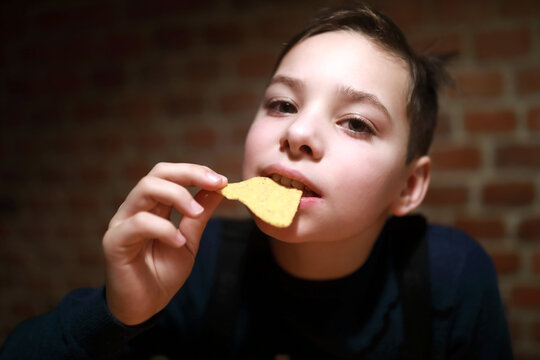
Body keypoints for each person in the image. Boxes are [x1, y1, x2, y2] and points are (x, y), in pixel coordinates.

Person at [0, 3, 513, 359]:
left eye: (356, 122)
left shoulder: (451, 276)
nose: (298, 131)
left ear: (408, 187)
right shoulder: (190, 263)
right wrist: (117, 314)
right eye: (282, 104)